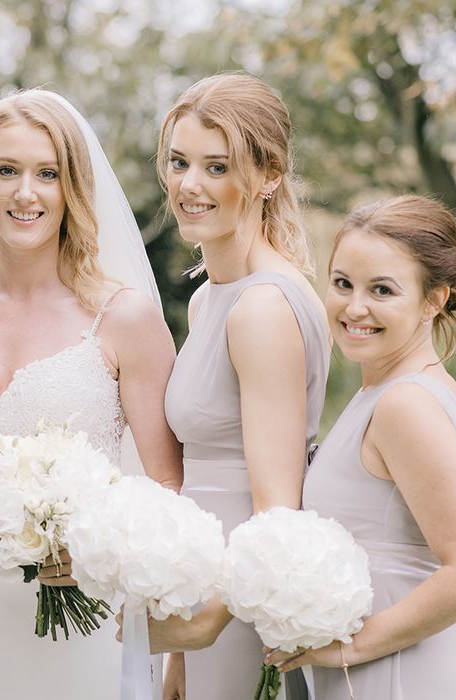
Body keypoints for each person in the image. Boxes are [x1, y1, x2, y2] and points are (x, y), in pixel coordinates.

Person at [0, 88, 183, 699]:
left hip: (88, 614)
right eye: (8, 171)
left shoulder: (121, 318)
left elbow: (167, 486)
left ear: (71, 188)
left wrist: (94, 551)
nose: (26, 193)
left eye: (47, 174)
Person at [143, 73, 331, 700]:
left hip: (240, 601)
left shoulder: (264, 308)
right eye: (180, 162)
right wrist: (179, 654)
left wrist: (207, 627)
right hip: (199, 585)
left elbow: (278, 506)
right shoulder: (208, 302)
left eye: (216, 166)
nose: (190, 185)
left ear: (269, 174)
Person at [266, 195, 456, 697]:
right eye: (342, 283)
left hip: (401, 673)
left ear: (434, 300)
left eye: (382, 290)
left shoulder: (405, 404)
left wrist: (353, 648)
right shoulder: (389, 391)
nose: (354, 307)